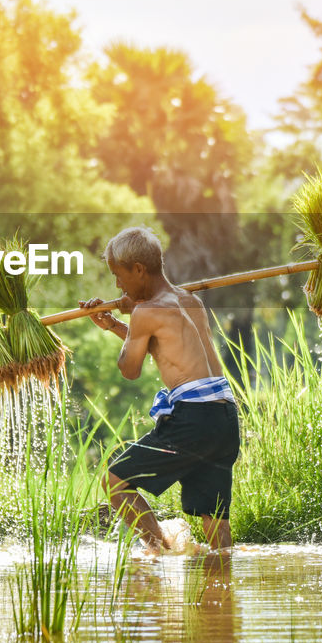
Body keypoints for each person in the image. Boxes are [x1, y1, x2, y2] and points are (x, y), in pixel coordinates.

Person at [79, 226, 240, 552]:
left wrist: (135, 315)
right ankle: (222, 592)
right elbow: (162, 347)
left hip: (194, 418)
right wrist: (114, 324)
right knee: (214, 521)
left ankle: (160, 552)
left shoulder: (147, 312)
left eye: (118, 276)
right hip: (224, 417)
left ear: (138, 270)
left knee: (115, 481)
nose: (117, 285)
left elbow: (130, 369)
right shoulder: (189, 300)